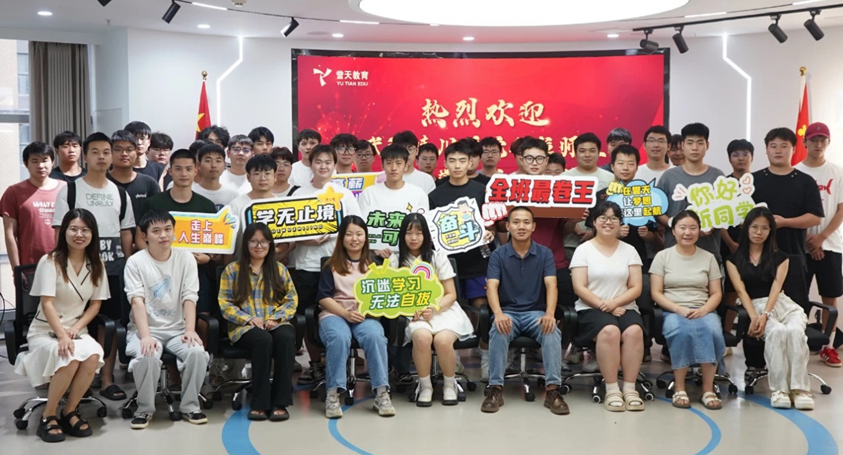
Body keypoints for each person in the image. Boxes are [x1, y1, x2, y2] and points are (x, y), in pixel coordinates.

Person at [52, 132, 135, 402]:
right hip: (76, 271)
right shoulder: (71, 190)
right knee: (76, 321)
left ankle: (107, 378)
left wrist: (127, 264)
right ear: (85, 157)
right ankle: (79, 378)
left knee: (109, 325)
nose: (102, 157)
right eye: (95, 152)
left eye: (106, 152)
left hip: (112, 270)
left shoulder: (120, 192)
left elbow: (126, 233)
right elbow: (60, 232)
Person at [14, 209, 108, 443]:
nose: (79, 234)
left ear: (93, 234)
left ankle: (69, 411)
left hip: (77, 330)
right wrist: (62, 335)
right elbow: (46, 303)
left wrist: (75, 329)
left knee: (93, 354)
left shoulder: (97, 264)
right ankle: (49, 415)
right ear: (64, 231)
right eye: (73, 229)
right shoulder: (50, 261)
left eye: (85, 230)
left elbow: (95, 305)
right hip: (46, 331)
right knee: (69, 356)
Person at [124, 209, 209, 429]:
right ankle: (144, 410)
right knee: (147, 356)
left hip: (178, 329)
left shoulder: (185, 258)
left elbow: (190, 297)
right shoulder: (135, 262)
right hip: (145, 329)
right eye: (156, 231)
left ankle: (190, 406)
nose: (163, 235)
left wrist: (190, 330)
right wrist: (145, 336)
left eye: (168, 229)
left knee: (197, 353)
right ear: (145, 236)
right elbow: (137, 301)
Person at [481, 206, 567, 415]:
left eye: (526, 222)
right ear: (508, 226)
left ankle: (553, 390)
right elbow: (491, 287)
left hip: (536, 313)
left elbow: (551, 286)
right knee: (498, 329)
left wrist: (549, 314)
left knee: (551, 330)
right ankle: (495, 389)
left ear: (533, 226)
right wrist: (498, 314)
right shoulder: (498, 255)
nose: (521, 226)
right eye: (516, 222)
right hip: (508, 312)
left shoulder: (544, 253)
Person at [725, 207, 814, 409]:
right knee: (777, 332)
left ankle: (800, 389)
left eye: (765, 228)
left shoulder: (781, 257)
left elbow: (776, 287)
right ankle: (780, 389)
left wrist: (766, 314)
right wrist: (755, 317)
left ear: (771, 231)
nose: (759, 232)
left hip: (782, 304)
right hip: (754, 305)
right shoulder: (733, 260)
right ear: (746, 228)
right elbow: (741, 291)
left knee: (795, 331)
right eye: (754, 227)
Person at [291, 145, 362, 385]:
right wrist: (305, 239)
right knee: (308, 315)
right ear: (310, 164)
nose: (323, 166)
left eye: (328, 162)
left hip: (340, 267)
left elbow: (357, 228)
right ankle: (314, 364)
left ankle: (339, 362)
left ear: (335, 165)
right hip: (307, 264)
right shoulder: (299, 194)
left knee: (340, 313)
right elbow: (287, 232)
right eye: (318, 162)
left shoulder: (345, 194)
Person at [428, 141, 496, 379]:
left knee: (483, 309)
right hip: (448, 264)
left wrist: (490, 232)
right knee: (449, 309)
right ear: (445, 164)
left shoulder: (482, 191)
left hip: (479, 260)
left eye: (462, 161)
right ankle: (453, 357)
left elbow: (492, 223)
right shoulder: (435, 194)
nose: (457, 165)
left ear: (470, 163)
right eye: (452, 161)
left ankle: (486, 358)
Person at [389, 214, 472, 406]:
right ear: (402, 236)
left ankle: (449, 385)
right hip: (413, 314)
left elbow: (451, 294)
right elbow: (393, 297)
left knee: (443, 341)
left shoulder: (437, 257)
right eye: (409, 233)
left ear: (426, 235)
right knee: (422, 338)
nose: (414, 237)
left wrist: (434, 309)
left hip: (443, 310)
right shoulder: (395, 261)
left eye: (419, 233)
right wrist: (410, 309)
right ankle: (425, 386)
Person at [218, 223, 298, 421]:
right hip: (244, 327)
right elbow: (225, 304)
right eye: (253, 241)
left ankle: (280, 401)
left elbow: (291, 300)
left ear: (270, 244)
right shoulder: (232, 270)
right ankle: (260, 403)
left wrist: (275, 318)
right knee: (263, 340)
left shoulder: (279, 270)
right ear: (245, 244)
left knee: (285, 338)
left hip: (275, 321)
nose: (259, 246)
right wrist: (248, 319)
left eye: (263, 242)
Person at [571, 201, 645, 411]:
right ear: (594, 222)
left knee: (634, 331)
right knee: (610, 331)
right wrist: (608, 306)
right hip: (591, 308)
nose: (608, 222)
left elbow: (636, 287)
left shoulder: (630, 250)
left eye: (614, 218)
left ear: (620, 223)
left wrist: (615, 303)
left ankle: (630, 389)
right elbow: (579, 287)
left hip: (625, 306)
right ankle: (612, 390)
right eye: (603, 217)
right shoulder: (583, 250)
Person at [317, 216, 394, 418]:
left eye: (359, 234)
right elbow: (324, 297)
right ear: (341, 238)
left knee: (375, 336)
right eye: (349, 234)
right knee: (339, 337)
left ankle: (382, 393)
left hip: (365, 315)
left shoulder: (376, 263)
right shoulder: (331, 264)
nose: (354, 239)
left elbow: (385, 295)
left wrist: (369, 311)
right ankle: (333, 394)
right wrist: (345, 313)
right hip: (336, 313)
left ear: (366, 237)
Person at [650, 210, 724, 410]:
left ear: (699, 231)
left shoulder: (709, 257)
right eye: (682, 228)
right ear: (673, 231)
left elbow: (716, 293)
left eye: (693, 228)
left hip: (703, 309)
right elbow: (656, 292)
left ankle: (707, 389)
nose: (687, 232)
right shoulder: (662, 256)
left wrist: (704, 310)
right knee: (681, 331)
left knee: (712, 331)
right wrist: (678, 308)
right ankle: (680, 388)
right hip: (673, 309)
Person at [795, 122, 843, 367]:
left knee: (830, 298)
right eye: (813, 139)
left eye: (822, 140)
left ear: (828, 142)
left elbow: (841, 210)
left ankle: (828, 346)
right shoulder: (795, 171)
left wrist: (821, 238)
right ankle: (798, 343)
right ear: (805, 142)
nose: (818, 144)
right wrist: (809, 241)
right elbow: (792, 210)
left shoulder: (837, 171)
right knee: (797, 298)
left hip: (831, 244)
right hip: (799, 246)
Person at [657, 123, 725, 263]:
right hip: (674, 252)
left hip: (709, 252)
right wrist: (674, 224)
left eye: (700, 143)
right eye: (690, 143)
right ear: (683, 145)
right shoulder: (668, 177)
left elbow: (726, 210)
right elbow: (656, 210)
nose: (695, 148)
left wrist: (713, 225)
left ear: (707, 145)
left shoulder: (718, 176)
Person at [2, 142, 63, 272]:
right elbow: (10, 234)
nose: (40, 166)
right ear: (26, 164)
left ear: (52, 162)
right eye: (35, 161)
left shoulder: (66, 189)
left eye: (45, 160)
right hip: (29, 267)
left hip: (63, 265)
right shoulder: (13, 192)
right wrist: (17, 270)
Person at [358, 144, 429, 255]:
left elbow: (423, 229)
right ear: (382, 166)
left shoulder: (418, 194)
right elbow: (360, 228)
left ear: (406, 166)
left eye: (399, 163)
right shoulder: (369, 193)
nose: (394, 168)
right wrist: (375, 250)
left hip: (408, 256)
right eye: (389, 163)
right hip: (375, 255)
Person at [107, 130, 161, 228]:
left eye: (129, 149)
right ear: (110, 153)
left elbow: (157, 217)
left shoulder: (149, 183)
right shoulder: (102, 182)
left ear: (136, 153)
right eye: (118, 149)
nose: (124, 153)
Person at [192, 143, 241, 210]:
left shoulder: (233, 195)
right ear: (199, 165)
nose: (213, 165)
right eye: (208, 161)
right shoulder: (190, 192)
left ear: (224, 165)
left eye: (218, 161)